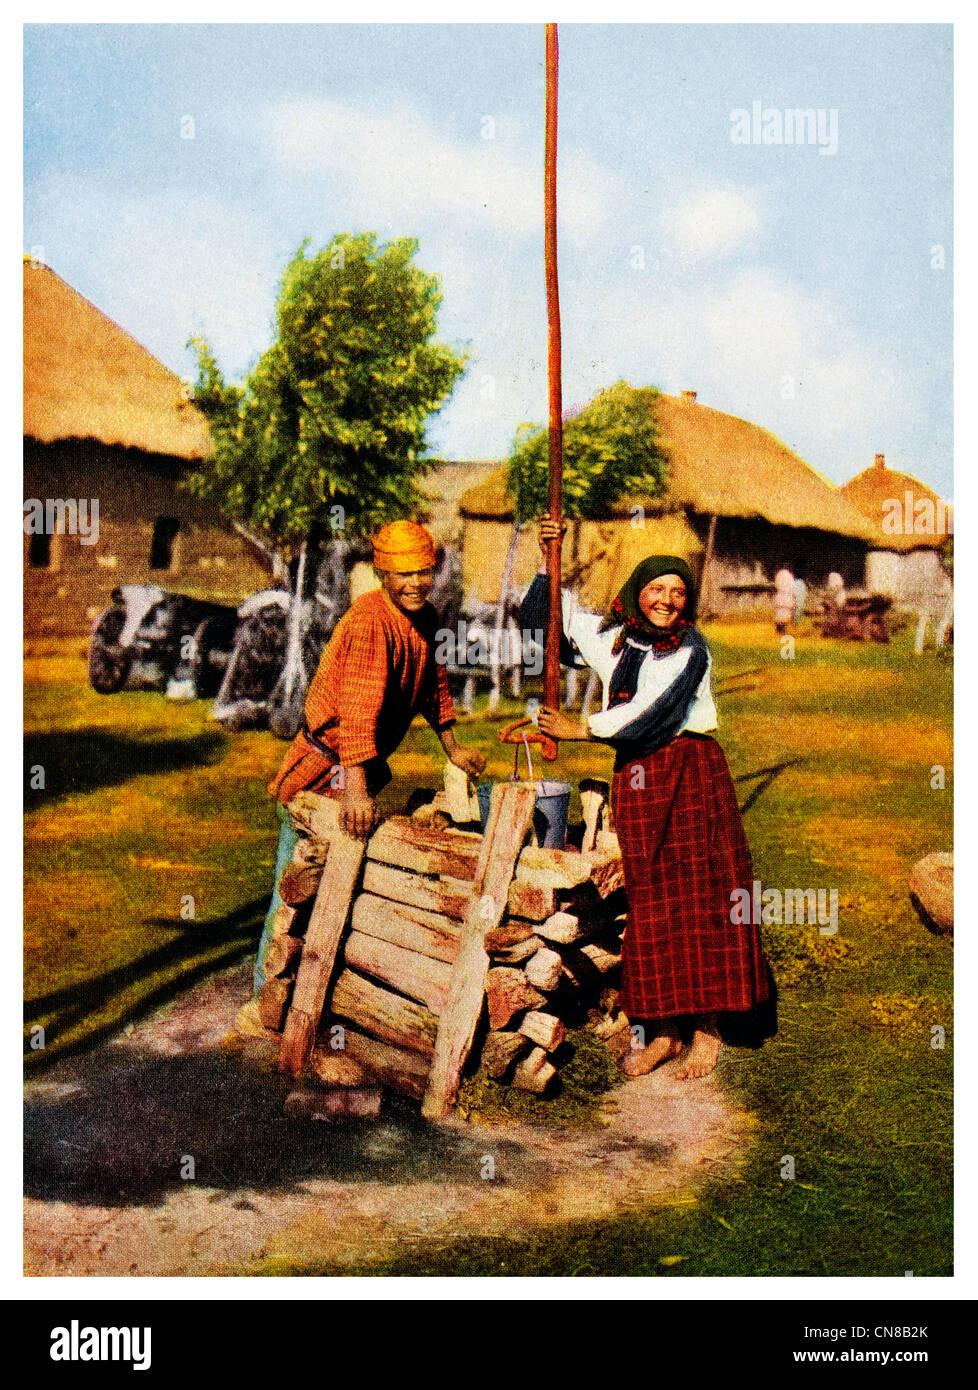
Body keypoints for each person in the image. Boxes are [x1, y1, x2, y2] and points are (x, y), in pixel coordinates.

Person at [521, 516, 773, 1081]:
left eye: (678, 592)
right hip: (638, 778)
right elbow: (541, 623)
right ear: (638, 592)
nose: (666, 600)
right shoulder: (615, 639)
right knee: (653, 901)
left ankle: (707, 1031)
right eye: (656, 589)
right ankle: (663, 1032)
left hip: (689, 773)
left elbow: (653, 714)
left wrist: (580, 728)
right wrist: (548, 560)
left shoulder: (690, 651)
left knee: (702, 897)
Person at [241, 520, 486, 1020]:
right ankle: (263, 1001)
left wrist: (453, 748)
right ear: (380, 572)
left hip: (357, 770)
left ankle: (316, 998)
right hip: (325, 771)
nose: (415, 583)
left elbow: (434, 687)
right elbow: (356, 712)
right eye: (403, 574)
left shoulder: (425, 617)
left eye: (423, 572)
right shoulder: (371, 622)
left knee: (341, 885)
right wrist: (354, 791)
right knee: (296, 883)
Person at [773, 567, 795, 635]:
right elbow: (792, 587)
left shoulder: (779, 574)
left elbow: (777, 585)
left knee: (780, 615)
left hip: (781, 597)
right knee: (784, 615)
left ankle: (780, 630)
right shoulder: (789, 576)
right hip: (787, 597)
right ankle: (781, 629)